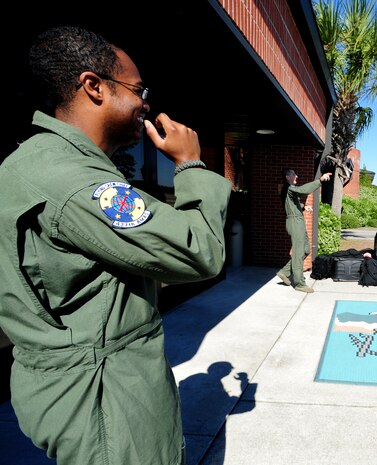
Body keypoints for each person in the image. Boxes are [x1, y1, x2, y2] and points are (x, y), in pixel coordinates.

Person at [0, 26, 232, 464]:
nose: (146, 103)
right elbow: (201, 251)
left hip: (78, 389)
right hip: (107, 400)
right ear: (93, 87)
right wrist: (191, 164)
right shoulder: (76, 182)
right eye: (138, 89)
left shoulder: (36, 163)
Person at [276, 168, 331, 293]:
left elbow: (292, 204)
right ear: (287, 177)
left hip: (297, 221)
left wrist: (304, 206)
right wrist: (320, 181)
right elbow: (302, 190)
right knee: (298, 252)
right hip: (294, 222)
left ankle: (284, 272)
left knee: (305, 249)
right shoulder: (289, 188)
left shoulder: (288, 190)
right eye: (294, 174)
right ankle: (300, 283)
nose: (297, 176)